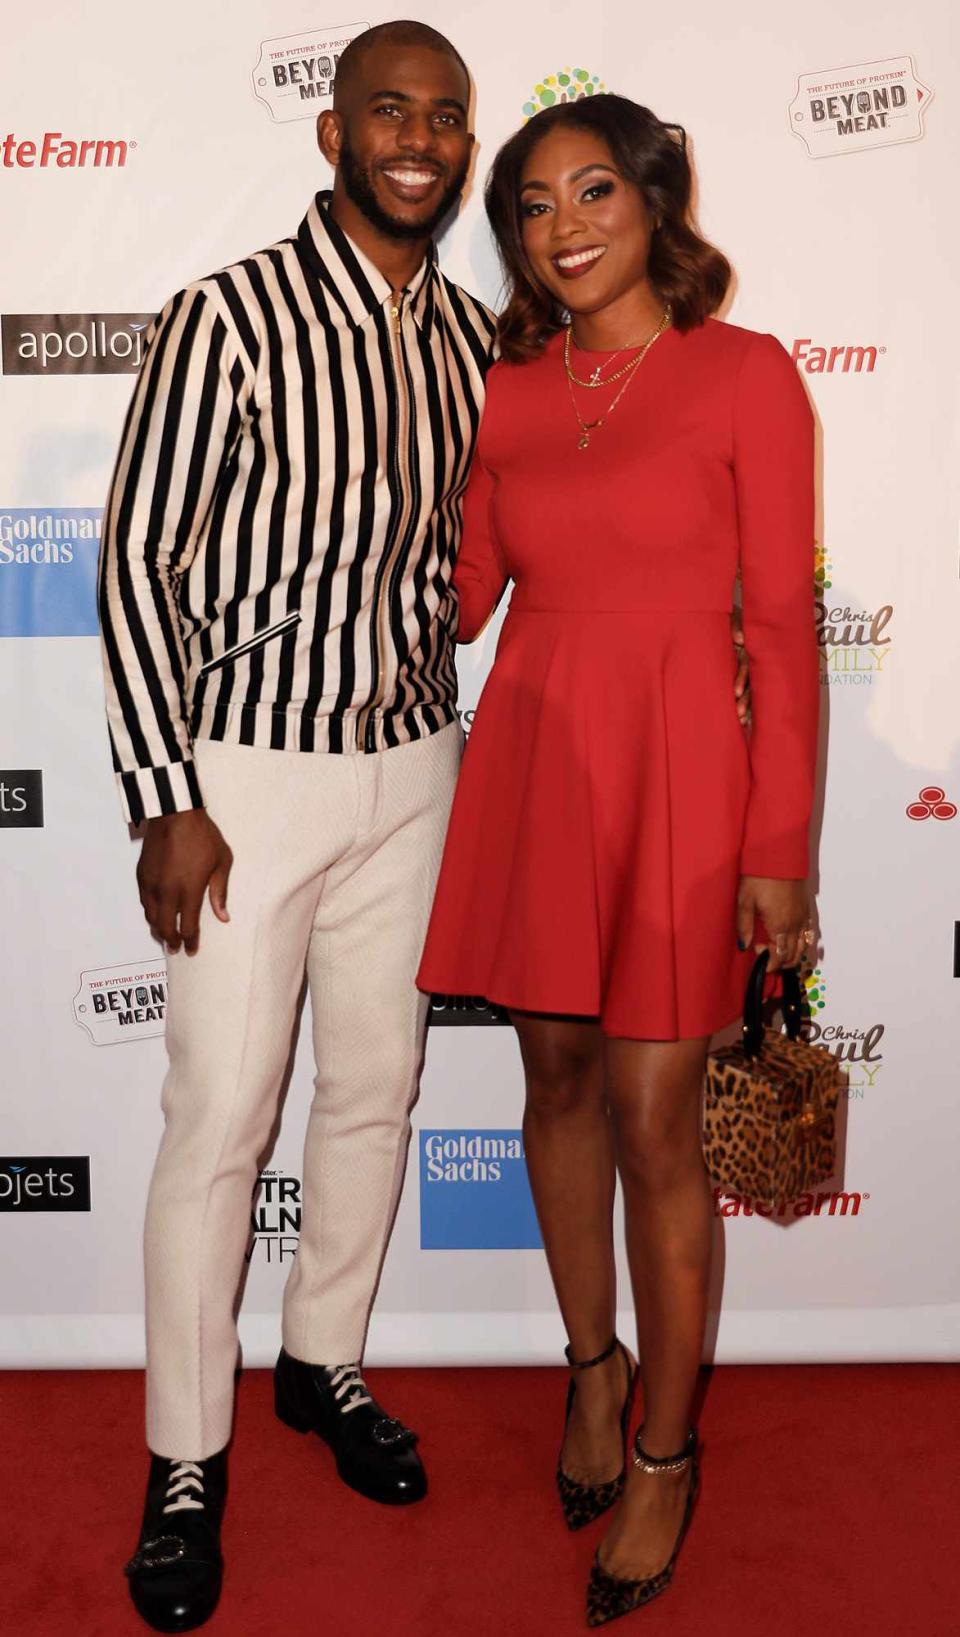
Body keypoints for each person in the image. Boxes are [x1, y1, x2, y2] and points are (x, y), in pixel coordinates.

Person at [98, 22, 497, 1632]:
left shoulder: (472, 338)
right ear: (330, 133)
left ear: (467, 148)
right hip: (246, 779)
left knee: (376, 1092)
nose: (419, 139)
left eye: (446, 117)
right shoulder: (230, 319)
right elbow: (136, 562)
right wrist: (163, 796)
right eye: (389, 111)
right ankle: (183, 1458)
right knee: (218, 1125)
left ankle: (321, 1360)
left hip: (416, 766)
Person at [416, 94, 819, 1627]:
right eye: (531, 204)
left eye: (595, 192)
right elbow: (455, 602)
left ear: (655, 205)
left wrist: (777, 848)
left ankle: (664, 1447)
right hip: (535, 757)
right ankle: (592, 1368)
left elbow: (781, 629)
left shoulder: (746, 377)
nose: (564, 225)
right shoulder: (504, 392)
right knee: (558, 1079)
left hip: (684, 777)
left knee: (660, 1117)